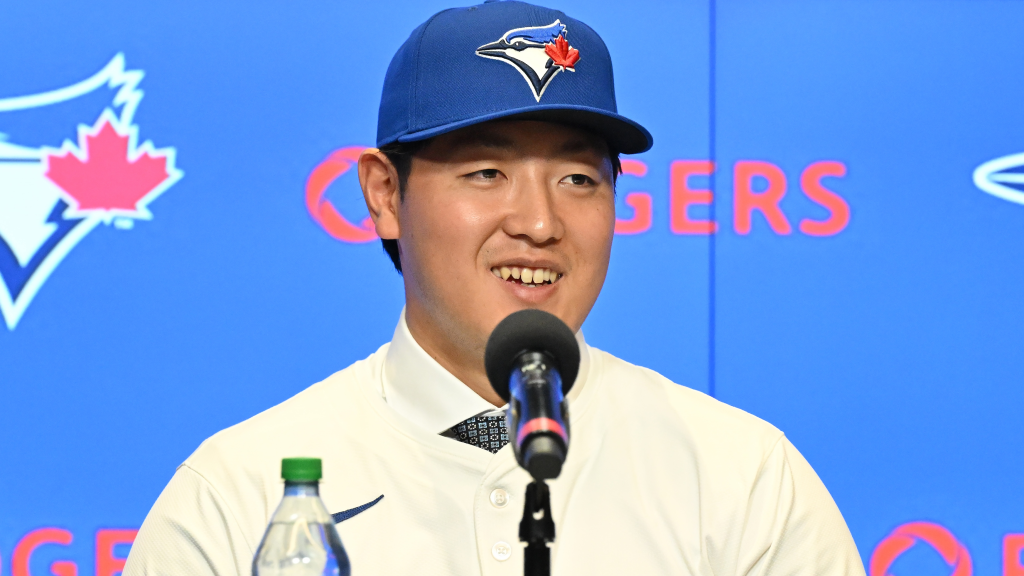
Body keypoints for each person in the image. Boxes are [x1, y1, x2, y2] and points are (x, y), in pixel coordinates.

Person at [124, 2, 866, 575]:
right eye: (487, 173)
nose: (540, 223)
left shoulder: (741, 477)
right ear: (384, 194)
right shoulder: (239, 493)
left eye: (578, 179)